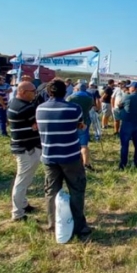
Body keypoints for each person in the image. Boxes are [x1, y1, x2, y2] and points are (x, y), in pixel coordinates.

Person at [36, 79, 93, 238]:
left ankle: (53, 224)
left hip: (49, 156)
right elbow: (79, 125)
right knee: (76, 189)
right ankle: (79, 226)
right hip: (71, 156)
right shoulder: (74, 108)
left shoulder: (40, 109)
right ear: (66, 91)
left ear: (49, 92)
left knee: (51, 191)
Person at [8, 81, 41, 222]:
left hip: (24, 146)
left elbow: (35, 125)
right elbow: (38, 125)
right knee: (22, 180)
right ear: (22, 91)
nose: (35, 93)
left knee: (26, 178)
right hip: (27, 148)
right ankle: (17, 213)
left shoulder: (13, 103)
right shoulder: (26, 108)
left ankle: (22, 204)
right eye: (32, 91)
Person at [67, 82, 96, 171]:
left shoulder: (71, 97)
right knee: (84, 144)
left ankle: (71, 162)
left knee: (71, 143)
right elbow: (91, 107)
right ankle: (86, 164)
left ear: (77, 89)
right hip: (85, 121)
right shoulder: (89, 98)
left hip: (72, 122)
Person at [118, 81, 137, 169]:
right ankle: (136, 162)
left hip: (127, 123)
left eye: (130, 87)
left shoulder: (127, 97)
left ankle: (123, 164)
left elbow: (119, 106)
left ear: (134, 88)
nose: (129, 88)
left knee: (125, 144)